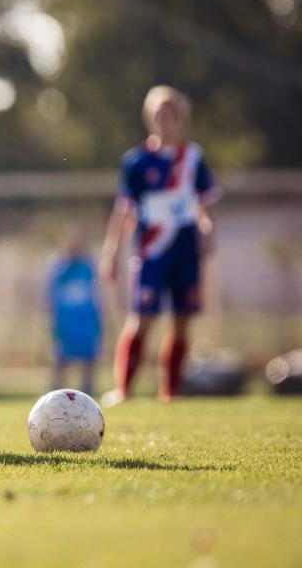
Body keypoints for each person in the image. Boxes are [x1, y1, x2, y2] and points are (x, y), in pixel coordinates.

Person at [99, 85, 219, 405]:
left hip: (185, 252)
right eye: (158, 114)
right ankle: (123, 390)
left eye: (170, 114)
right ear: (149, 118)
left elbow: (206, 205)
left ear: (180, 118)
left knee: (181, 322)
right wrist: (112, 252)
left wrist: (208, 231)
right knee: (142, 319)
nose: (164, 120)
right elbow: (124, 211)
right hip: (151, 253)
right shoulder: (137, 162)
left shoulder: (193, 158)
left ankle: (171, 392)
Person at [45, 229, 102, 395]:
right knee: (60, 359)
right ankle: (56, 392)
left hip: (85, 320)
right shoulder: (60, 268)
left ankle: (88, 392)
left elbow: (96, 295)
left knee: (89, 359)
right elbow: (51, 295)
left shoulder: (88, 268)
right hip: (66, 320)